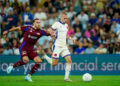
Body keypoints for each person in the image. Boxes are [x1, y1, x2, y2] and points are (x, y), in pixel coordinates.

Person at [43, 12, 74, 82]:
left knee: (69, 61)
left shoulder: (66, 25)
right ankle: (46, 57)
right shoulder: (56, 24)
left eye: (66, 18)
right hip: (57, 46)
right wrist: (52, 34)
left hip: (64, 46)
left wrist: (70, 38)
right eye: (64, 18)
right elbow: (49, 30)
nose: (65, 19)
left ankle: (66, 78)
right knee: (54, 64)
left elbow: (65, 35)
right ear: (61, 17)